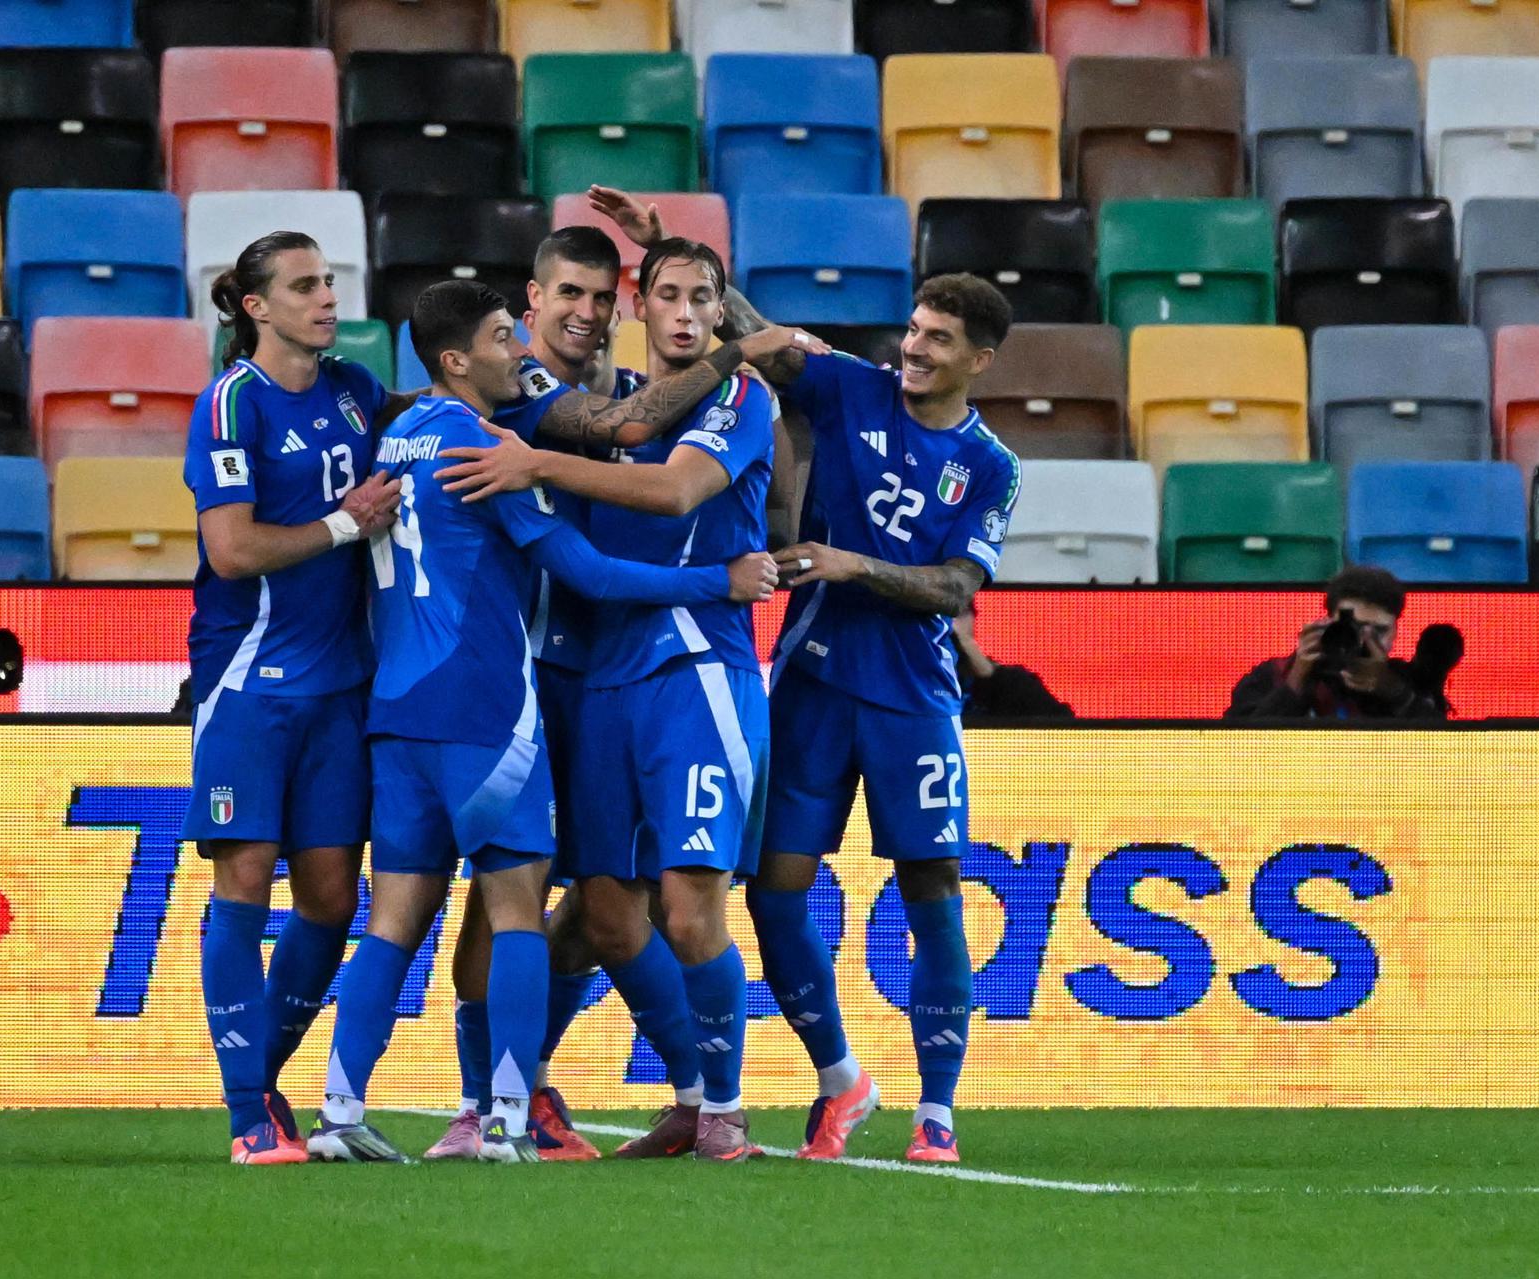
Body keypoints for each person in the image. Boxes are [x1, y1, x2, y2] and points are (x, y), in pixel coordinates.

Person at [305, 280, 777, 1164]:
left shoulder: (396, 436)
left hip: (396, 716)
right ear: (456, 360)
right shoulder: (485, 446)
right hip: (484, 711)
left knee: (394, 920)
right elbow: (588, 573)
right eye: (498, 335)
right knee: (518, 915)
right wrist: (719, 582)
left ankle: (338, 1113)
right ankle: (508, 1120)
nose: (517, 348)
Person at [430, 227, 815, 1162]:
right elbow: (618, 441)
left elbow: (677, 486)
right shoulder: (548, 403)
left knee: (684, 906)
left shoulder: (732, 395)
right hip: (567, 678)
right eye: (665, 297)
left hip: (689, 671)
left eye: (700, 301)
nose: (680, 315)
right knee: (575, 906)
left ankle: (713, 1102)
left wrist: (535, 465)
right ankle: (500, 1101)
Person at [720, 259, 1023, 1163]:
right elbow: (764, 341)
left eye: (938, 339)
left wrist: (857, 567)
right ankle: (840, 1076)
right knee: (773, 890)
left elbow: (955, 587)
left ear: (982, 360)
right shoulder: (855, 388)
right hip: (810, 681)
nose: (914, 348)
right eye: (915, 329)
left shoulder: (990, 465)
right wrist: (688, 266)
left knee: (931, 884)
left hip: (913, 701)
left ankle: (938, 1111)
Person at [182, 230, 405, 1166]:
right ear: (255, 307)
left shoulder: (355, 390)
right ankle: (247, 1117)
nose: (326, 298)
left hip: (343, 686)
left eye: (330, 282)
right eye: (305, 285)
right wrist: (342, 525)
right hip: (250, 683)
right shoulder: (232, 403)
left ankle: (260, 1085)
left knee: (327, 896)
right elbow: (232, 550)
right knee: (242, 878)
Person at [1225, 565, 1457, 720]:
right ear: (1329, 623)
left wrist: (1392, 690)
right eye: (1354, 628)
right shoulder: (1274, 674)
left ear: (1396, 631)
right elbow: (1234, 748)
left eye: (1379, 631)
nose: (1365, 640)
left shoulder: (1408, 683)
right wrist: (1297, 680)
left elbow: (1448, 753)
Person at [952, 597, 1074, 723]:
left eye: (959, 612)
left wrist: (989, 675)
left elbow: (1065, 726)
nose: (950, 625)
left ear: (973, 618)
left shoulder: (1012, 681)